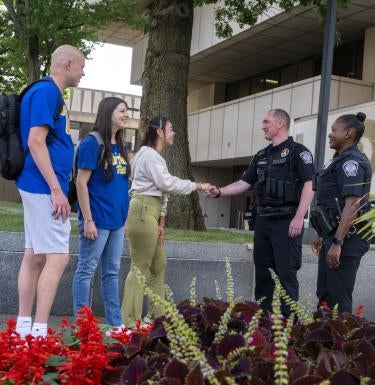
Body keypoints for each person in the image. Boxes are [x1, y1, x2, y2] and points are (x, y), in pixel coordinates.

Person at [206, 109, 315, 315]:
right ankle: (264, 322)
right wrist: (219, 192)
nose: (263, 126)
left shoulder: (298, 152)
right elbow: (243, 183)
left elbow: (310, 185)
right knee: (263, 274)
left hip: (287, 222)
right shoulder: (261, 155)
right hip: (264, 222)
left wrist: (299, 217)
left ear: (281, 123)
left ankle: (287, 325)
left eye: (266, 122)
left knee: (286, 274)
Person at [15, 45, 85, 337]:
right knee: (58, 256)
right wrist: (57, 189)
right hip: (44, 186)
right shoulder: (48, 92)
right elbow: (36, 141)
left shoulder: (43, 91)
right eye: (81, 66)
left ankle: (23, 330)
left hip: (35, 183)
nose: (83, 72)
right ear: (67, 63)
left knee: (35, 255)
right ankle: (40, 332)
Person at [121, 116, 209, 328]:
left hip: (149, 212)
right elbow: (167, 184)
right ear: (159, 132)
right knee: (139, 268)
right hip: (142, 211)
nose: (174, 133)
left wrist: (161, 223)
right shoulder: (149, 156)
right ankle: (129, 323)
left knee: (158, 265)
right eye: (170, 129)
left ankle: (156, 318)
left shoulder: (153, 157)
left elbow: (162, 192)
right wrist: (197, 186)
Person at [72, 97, 131, 328]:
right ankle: (82, 326)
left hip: (117, 222)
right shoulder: (91, 143)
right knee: (86, 271)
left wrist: (124, 219)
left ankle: (116, 326)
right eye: (122, 111)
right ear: (109, 113)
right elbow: (80, 183)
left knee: (111, 273)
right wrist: (88, 220)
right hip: (96, 221)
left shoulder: (121, 145)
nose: (126, 115)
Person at [311, 112, 372, 313]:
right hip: (333, 235)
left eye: (334, 131)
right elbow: (329, 201)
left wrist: (337, 243)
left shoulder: (352, 163)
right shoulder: (338, 160)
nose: (330, 135)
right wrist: (321, 234)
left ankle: (341, 341)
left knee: (338, 296)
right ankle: (322, 341)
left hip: (347, 239)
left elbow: (352, 205)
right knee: (325, 294)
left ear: (348, 134)